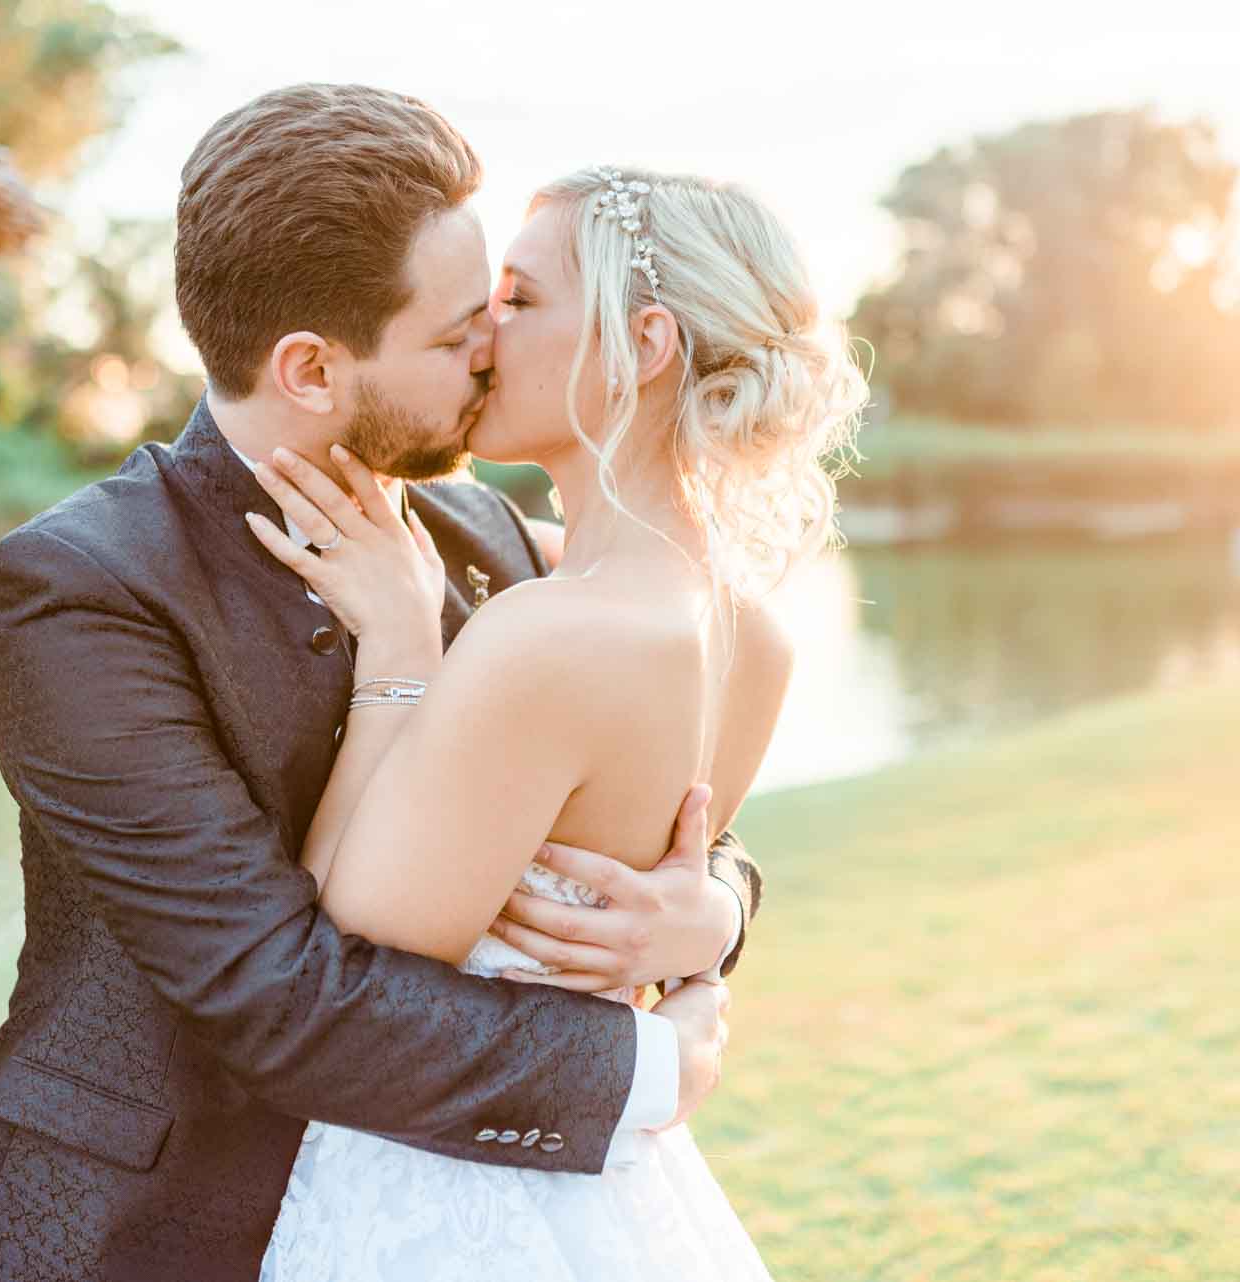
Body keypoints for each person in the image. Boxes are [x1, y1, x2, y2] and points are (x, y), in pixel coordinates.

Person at [0, 84, 768, 1282]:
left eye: (506, 307)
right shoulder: (85, 589)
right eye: (459, 327)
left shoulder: (493, 541)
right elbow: (272, 993)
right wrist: (645, 1069)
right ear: (312, 368)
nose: (493, 351)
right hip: (147, 1230)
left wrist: (714, 907)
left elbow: (619, 802)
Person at [248, 161, 865, 1278]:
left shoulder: (547, 635)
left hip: (436, 1193)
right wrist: (714, 919)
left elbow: (345, 950)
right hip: (604, 1184)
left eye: (523, 301)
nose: (484, 330)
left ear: (648, 344)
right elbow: (684, 864)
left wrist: (397, 649)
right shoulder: (752, 634)